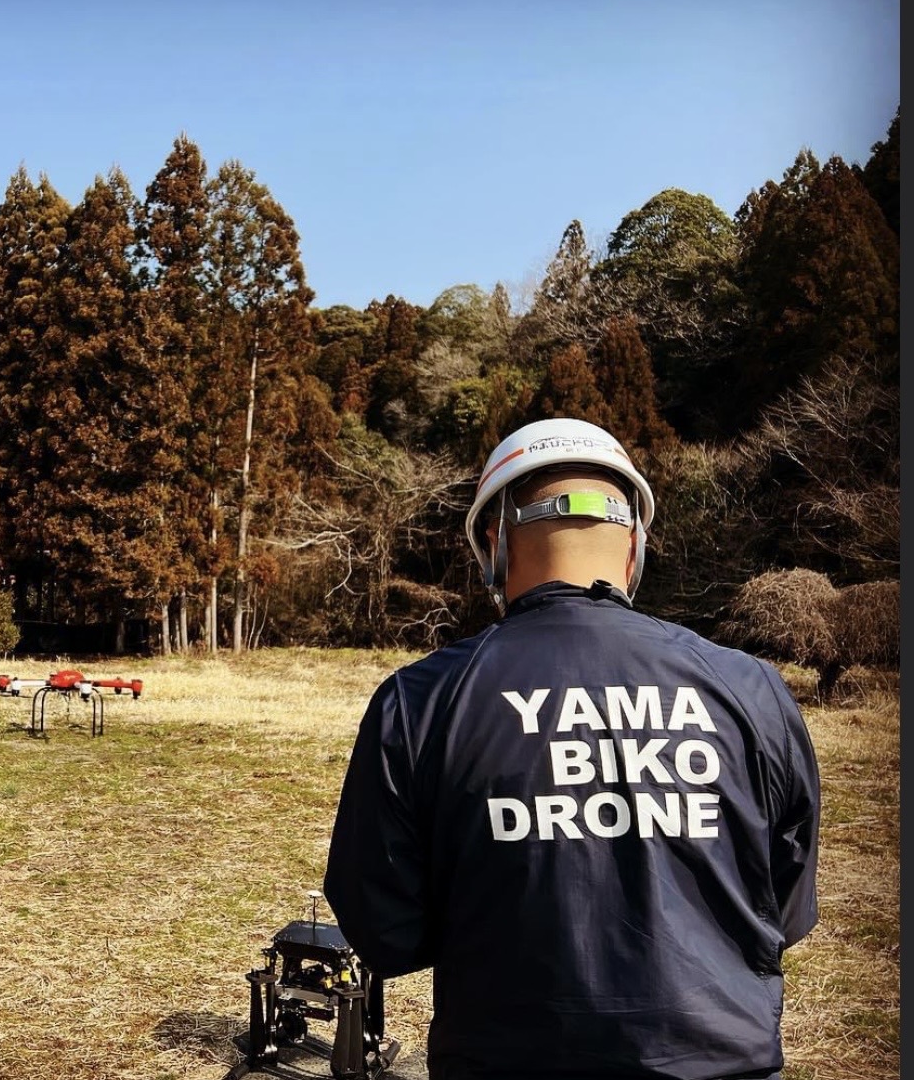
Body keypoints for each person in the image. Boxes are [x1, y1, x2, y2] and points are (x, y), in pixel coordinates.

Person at [323, 418, 820, 1080]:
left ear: (493, 544)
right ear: (635, 544)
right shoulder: (751, 689)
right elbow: (781, 908)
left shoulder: (419, 700)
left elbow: (385, 930)